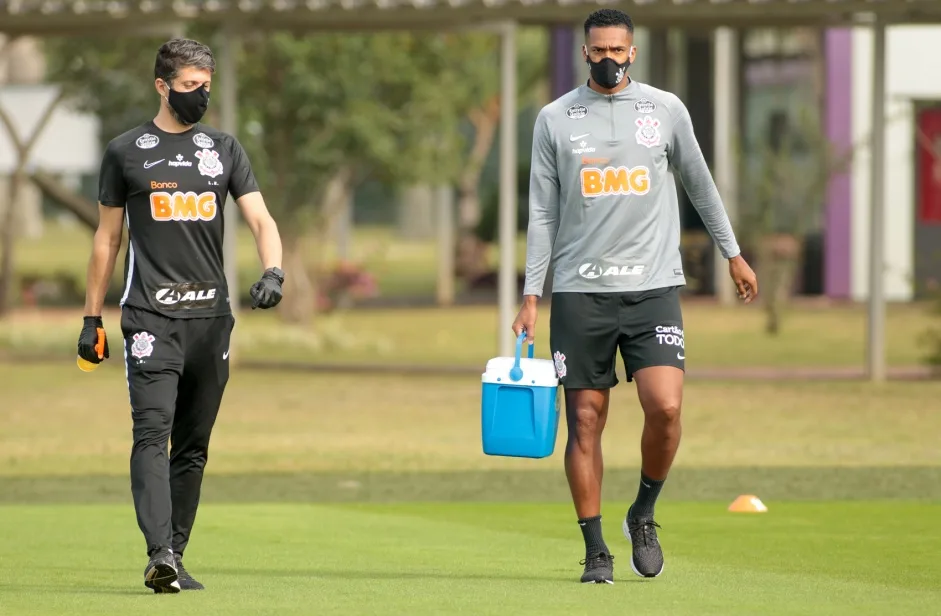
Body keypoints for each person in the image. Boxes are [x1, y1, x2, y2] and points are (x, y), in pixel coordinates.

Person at [512, 9, 758, 585]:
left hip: (652, 290)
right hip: (580, 293)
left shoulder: (666, 110)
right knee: (586, 421)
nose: (607, 59)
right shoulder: (555, 119)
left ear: (633, 52)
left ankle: (643, 512)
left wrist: (733, 252)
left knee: (667, 409)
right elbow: (542, 214)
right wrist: (531, 292)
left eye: (617, 50)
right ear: (584, 52)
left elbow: (700, 183)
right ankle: (596, 551)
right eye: (597, 50)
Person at [76, 38, 284, 594]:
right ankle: (157, 552)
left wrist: (273, 272)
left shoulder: (223, 148)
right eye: (191, 86)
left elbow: (261, 218)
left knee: (193, 445)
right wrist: (92, 319)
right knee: (152, 434)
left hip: (211, 321)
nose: (202, 96)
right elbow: (107, 239)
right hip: (149, 320)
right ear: (162, 86)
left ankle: (176, 555)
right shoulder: (127, 152)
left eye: (207, 86)